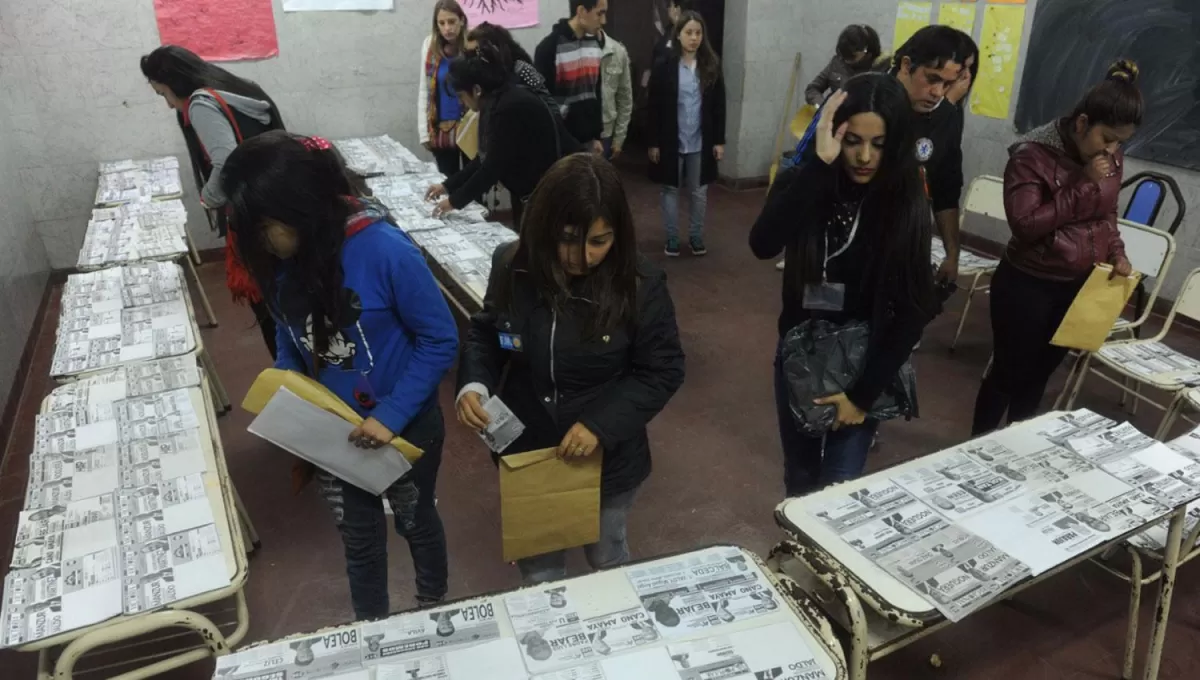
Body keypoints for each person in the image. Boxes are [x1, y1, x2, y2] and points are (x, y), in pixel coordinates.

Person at [221, 131, 459, 620]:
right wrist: (289, 381)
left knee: (415, 520)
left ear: (302, 208)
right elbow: (289, 328)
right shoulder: (282, 260)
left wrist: (391, 416)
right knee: (359, 536)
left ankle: (433, 605)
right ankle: (371, 626)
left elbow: (441, 341)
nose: (259, 243)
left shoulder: (384, 249)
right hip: (333, 434)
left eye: (265, 227)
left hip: (404, 428)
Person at [455, 153, 686, 584]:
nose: (582, 257)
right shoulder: (512, 264)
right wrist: (474, 383)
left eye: (600, 241)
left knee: (607, 555)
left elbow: (663, 370)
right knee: (540, 571)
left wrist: (598, 425)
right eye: (566, 239)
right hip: (530, 451)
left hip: (608, 456)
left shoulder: (639, 284)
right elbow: (486, 334)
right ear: (542, 227)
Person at [749, 74, 940, 496]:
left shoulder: (904, 201)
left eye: (879, 143)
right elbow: (763, 244)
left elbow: (914, 309)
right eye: (853, 140)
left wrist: (862, 397)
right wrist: (819, 165)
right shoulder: (807, 181)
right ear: (834, 132)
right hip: (800, 353)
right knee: (799, 478)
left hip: (862, 362)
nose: (865, 156)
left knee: (839, 488)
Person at [971, 62, 1141, 434]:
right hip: (1029, 282)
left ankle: (1014, 442)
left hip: (1079, 282)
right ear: (1081, 123)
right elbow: (1026, 224)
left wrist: (1117, 251)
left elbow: (1107, 212)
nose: (1112, 150)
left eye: (1120, 144)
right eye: (1107, 138)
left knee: (1040, 374)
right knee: (1008, 371)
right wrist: (1082, 183)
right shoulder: (1031, 154)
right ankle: (974, 445)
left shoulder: (1107, 156)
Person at [793, 26, 974, 286]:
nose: (938, 93)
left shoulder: (946, 115)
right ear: (906, 65)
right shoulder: (854, 98)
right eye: (932, 79)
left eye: (947, 84)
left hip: (898, 262)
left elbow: (946, 184)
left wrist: (952, 253)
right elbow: (800, 178)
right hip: (835, 257)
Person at [140, 45, 285, 359]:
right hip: (280, 202)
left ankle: (292, 373)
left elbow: (228, 161)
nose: (167, 105)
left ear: (174, 83)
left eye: (162, 93)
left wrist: (209, 198)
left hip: (254, 211)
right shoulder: (239, 87)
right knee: (289, 293)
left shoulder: (201, 103)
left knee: (270, 304)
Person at [425, 46, 580, 230]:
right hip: (541, 188)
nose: (460, 103)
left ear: (476, 90)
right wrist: (447, 186)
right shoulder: (495, 101)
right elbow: (483, 158)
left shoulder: (508, 107)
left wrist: (453, 202)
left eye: (461, 96)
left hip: (558, 187)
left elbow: (492, 167)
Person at [647, 10, 726, 257]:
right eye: (689, 32)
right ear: (678, 35)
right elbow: (655, 106)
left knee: (699, 190)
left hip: (700, 140)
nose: (694, 38)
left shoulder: (711, 65)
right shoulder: (664, 66)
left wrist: (719, 140)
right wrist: (654, 142)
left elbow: (719, 105)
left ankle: (695, 235)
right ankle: (671, 237)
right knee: (670, 188)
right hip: (672, 138)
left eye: (698, 33)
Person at [535, 0, 608, 154]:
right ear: (581, 11)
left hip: (589, 142)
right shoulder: (549, 48)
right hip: (560, 144)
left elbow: (596, 93)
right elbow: (543, 103)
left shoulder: (595, 44)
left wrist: (596, 135)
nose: (603, 21)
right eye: (599, 14)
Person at [419, 0, 468, 176]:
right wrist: (423, 132)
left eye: (452, 21)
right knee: (448, 184)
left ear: (462, 20)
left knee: (474, 187)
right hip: (442, 128)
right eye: (442, 23)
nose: (447, 28)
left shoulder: (473, 46)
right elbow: (424, 90)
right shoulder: (429, 46)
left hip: (471, 126)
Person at [804, 25, 882, 106]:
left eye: (852, 56)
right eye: (844, 55)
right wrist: (822, 106)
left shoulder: (879, 69)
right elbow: (812, 89)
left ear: (866, 52)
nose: (846, 60)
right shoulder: (837, 62)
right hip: (836, 115)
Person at [599, 29, 633, 160]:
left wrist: (619, 137)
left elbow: (625, 99)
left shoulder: (617, 51)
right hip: (580, 134)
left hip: (607, 132)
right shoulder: (575, 49)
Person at [650, 0, 686, 72]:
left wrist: (677, 23)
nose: (668, 9)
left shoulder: (686, 30)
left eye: (670, 6)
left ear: (678, 9)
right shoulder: (668, 29)